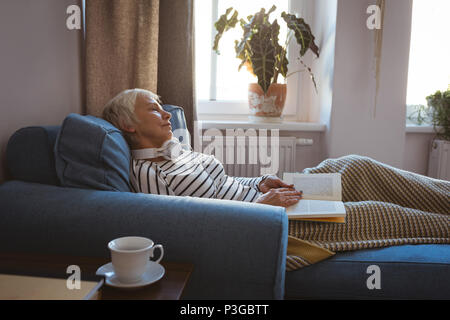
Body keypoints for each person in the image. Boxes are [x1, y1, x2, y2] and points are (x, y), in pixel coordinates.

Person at [102, 88, 303, 207]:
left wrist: (260, 182)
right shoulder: (147, 172)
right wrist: (262, 207)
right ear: (128, 124)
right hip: (261, 220)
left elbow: (223, 182)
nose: (168, 115)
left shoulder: (177, 153)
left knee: (330, 171)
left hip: (267, 203)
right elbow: (178, 227)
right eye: (154, 110)